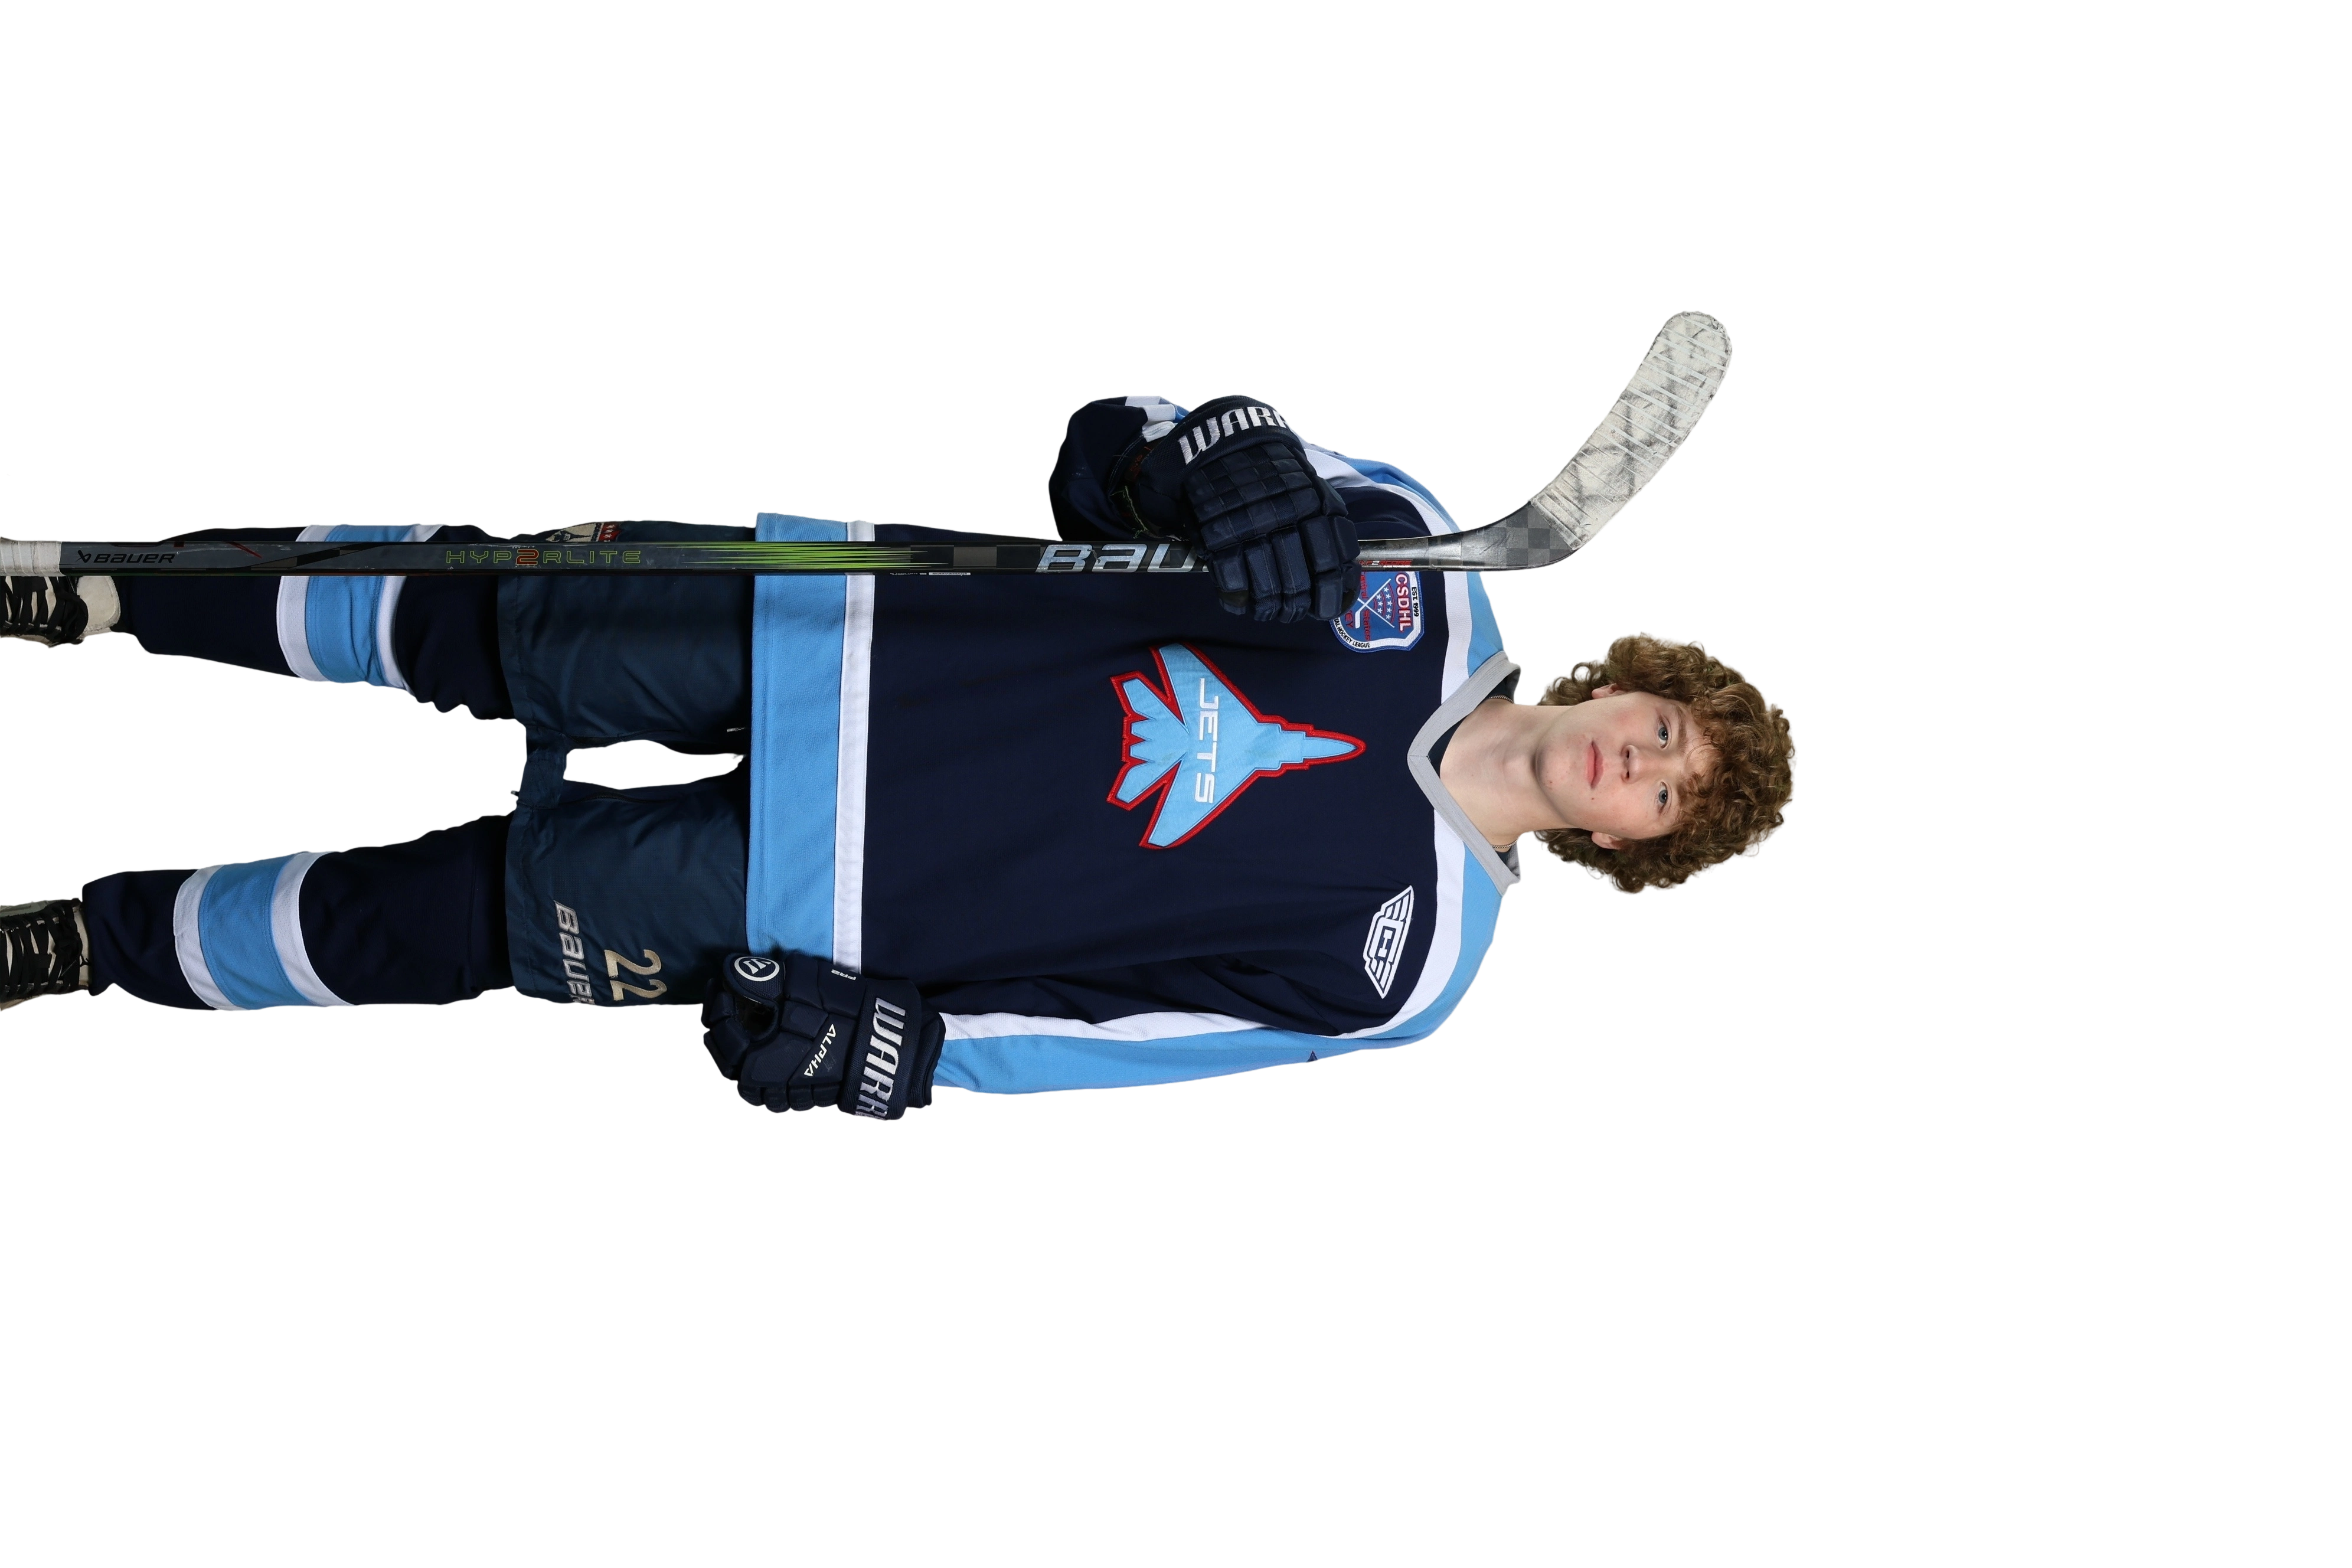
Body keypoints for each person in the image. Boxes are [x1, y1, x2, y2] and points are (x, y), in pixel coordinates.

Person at [0, 395, 1801, 1119]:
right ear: (1627, 682)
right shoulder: (1419, 560)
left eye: (1668, 800)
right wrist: (1219, 463)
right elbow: (1121, 435)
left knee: (459, 925)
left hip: (846, 897)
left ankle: (96, 944)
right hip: (851, 629)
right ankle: (107, 596)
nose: (1639, 767)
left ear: (1631, 850)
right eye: (1665, 731)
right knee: (478, 615)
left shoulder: (1412, 969)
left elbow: (1137, 1040)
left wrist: (913, 1056)